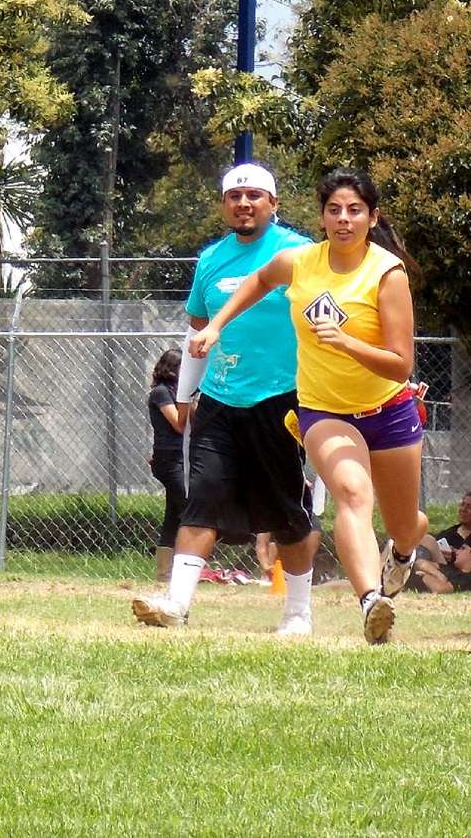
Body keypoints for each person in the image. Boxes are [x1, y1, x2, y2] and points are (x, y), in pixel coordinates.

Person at [190, 166, 428, 644]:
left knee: (406, 524)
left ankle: (402, 553)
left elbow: (401, 366)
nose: (343, 219)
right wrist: (215, 326)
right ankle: (370, 602)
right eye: (334, 210)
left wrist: (345, 343)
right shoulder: (299, 262)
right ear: (322, 218)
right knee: (352, 494)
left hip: (387, 409)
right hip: (322, 410)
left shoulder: (387, 273)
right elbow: (256, 281)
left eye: (355, 211)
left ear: (371, 217)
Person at [132, 164, 322, 636]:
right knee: (201, 499)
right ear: (223, 205)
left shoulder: (299, 253)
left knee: (287, 510)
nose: (244, 203)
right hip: (218, 401)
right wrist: (185, 399)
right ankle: (177, 604)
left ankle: (298, 614)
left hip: (283, 400)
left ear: (273, 204)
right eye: (234, 196)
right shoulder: (210, 260)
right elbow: (198, 334)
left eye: (254, 195)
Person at [147, 348, 184, 582]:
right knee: (190, 506)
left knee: (174, 514)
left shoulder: (177, 392)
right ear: (171, 369)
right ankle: (186, 565)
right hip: (168, 459)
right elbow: (179, 424)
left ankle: (165, 573)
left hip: (180, 458)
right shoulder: (161, 393)